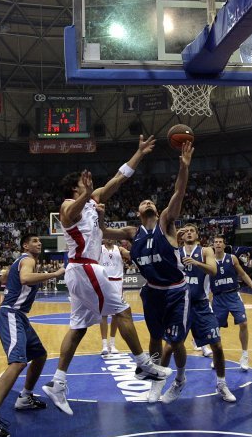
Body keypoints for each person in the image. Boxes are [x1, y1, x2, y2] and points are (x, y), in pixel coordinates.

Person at [43, 135, 172, 417]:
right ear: (74, 187)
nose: (88, 184)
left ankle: (58, 383)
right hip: (85, 266)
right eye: (82, 183)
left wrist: (138, 153)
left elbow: (118, 178)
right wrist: (86, 195)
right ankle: (143, 363)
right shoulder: (68, 205)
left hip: (81, 271)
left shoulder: (93, 200)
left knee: (77, 328)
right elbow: (71, 212)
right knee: (123, 312)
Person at [105, 141, 195, 407]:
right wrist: (96, 212)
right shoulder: (133, 234)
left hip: (177, 291)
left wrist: (184, 168)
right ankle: (157, 381)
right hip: (152, 292)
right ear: (137, 213)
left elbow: (178, 192)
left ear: (155, 209)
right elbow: (102, 232)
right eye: (142, 202)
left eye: (150, 201)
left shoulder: (166, 223)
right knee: (155, 338)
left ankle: (179, 380)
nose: (147, 203)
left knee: (175, 341)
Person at [0, 234, 65, 437]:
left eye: (39, 241)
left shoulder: (18, 262)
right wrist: (55, 273)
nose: (39, 243)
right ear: (25, 245)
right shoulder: (28, 260)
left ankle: (25, 397)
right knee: (17, 362)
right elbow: (25, 279)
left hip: (18, 316)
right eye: (34, 241)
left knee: (40, 355)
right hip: (10, 313)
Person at [149, 224, 236, 404]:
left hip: (201, 305)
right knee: (168, 348)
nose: (189, 232)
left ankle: (221, 384)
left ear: (197, 235)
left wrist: (196, 263)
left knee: (217, 346)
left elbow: (213, 270)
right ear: (182, 235)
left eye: (192, 230)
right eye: (186, 230)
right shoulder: (175, 251)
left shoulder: (205, 251)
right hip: (180, 305)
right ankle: (158, 383)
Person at [210, 235, 252, 372]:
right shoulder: (209, 261)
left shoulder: (232, 258)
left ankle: (244, 355)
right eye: (216, 242)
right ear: (213, 245)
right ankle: (216, 356)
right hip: (218, 298)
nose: (218, 244)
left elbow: (243, 274)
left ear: (224, 244)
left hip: (233, 295)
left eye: (220, 242)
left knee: (244, 323)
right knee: (216, 328)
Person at [99, 239, 129, 357]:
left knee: (116, 315)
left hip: (117, 283)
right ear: (103, 237)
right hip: (103, 282)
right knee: (104, 314)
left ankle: (112, 344)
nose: (110, 238)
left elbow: (131, 255)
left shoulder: (120, 249)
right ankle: (104, 345)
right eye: (107, 235)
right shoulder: (99, 249)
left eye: (112, 235)